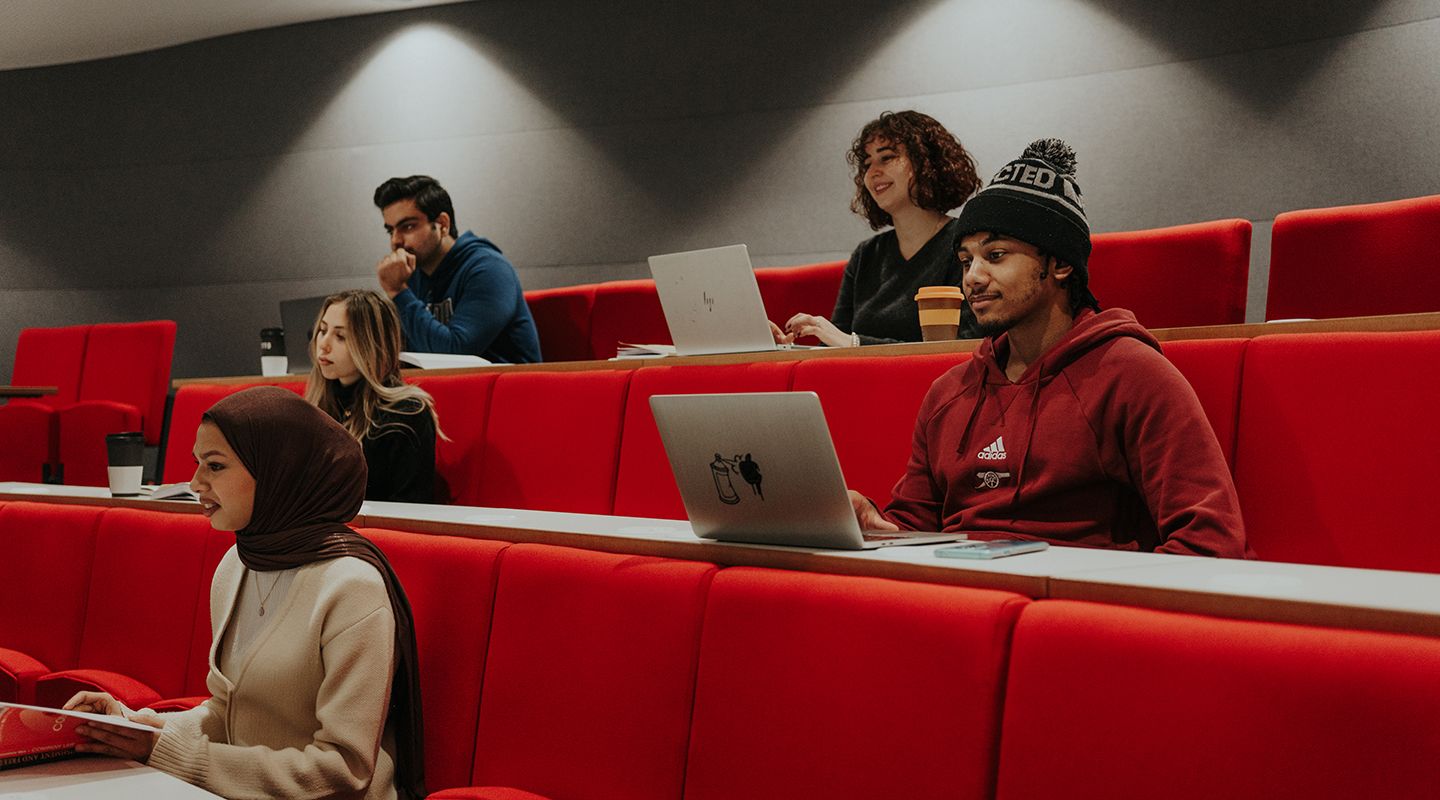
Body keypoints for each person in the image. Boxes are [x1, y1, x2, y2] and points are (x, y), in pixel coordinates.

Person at [849, 139, 1251, 558]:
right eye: (966, 261)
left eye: (996, 255)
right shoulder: (948, 392)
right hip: (958, 589)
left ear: (1060, 264)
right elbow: (913, 528)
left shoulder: (1134, 375)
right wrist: (870, 524)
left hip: (1074, 592)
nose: (973, 278)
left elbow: (1211, 541)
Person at [65, 386, 427, 800]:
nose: (195, 483)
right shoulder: (236, 565)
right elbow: (227, 711)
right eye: (197, 464)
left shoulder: (351, 587)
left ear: (277, 471)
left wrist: (166, 751)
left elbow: (343, 771)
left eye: (215, 466)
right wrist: (137, 726)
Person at [777, 110, 983, 347]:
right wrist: (787, 347)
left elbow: (965, 344)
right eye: (867, 164)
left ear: (925, 163)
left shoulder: (964, 245)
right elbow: (836, 343)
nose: (872, 172)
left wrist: (856, 344)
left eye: (886, 158)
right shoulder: (866, 254)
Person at [374, 174, 542, 364]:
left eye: (408, 226)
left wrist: (398, 291)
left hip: (508, 382)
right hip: (440, 382)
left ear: (442, 224)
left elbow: (456, 353)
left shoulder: (489, 269)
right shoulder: (410, 274)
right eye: (391, 230)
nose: (395, 240)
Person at [307, 288, 441, 503]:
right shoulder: (317, 408)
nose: (323, 344)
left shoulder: (407, 413)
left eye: (340, 336)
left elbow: (410, 506)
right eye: (322, 331)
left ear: (372, 345)